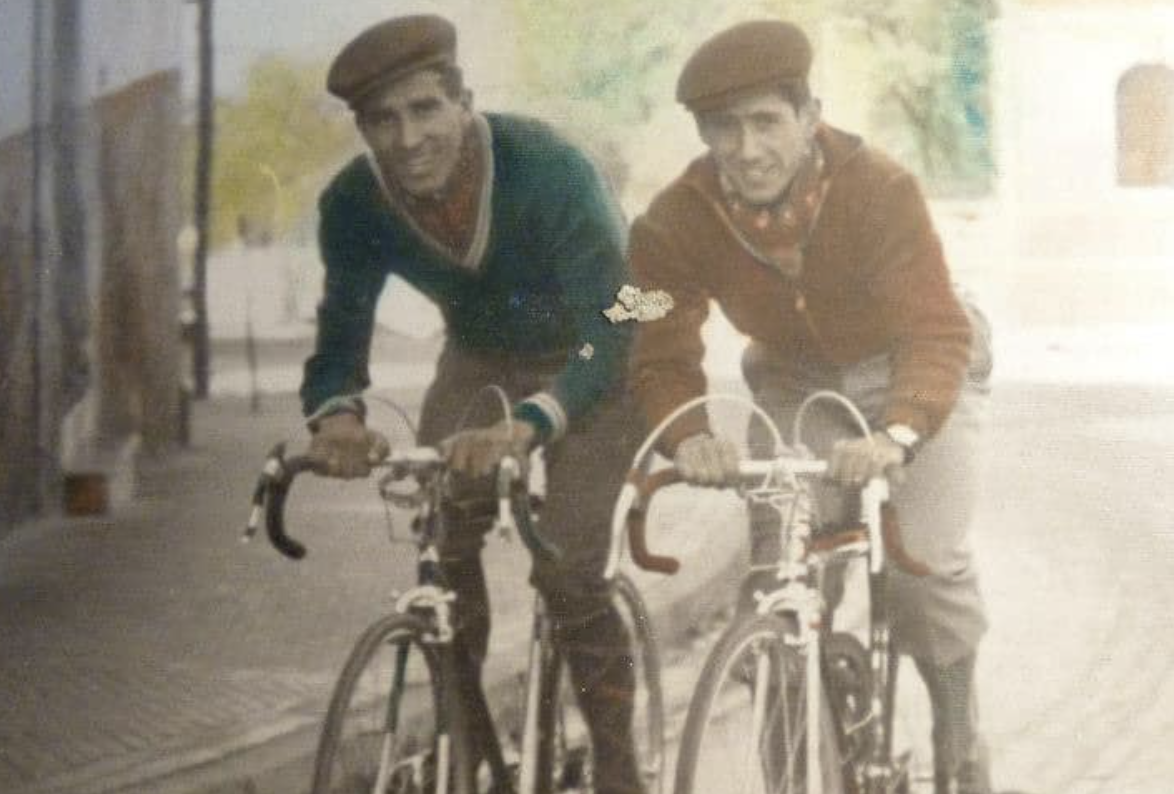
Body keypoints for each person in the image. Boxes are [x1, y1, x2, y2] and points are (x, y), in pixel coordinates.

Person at [628, 20, 998, 794]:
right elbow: (653, 340)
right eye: (724, 128)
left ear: (809, 116)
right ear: (701, 135)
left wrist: (900, 432)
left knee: (921, 568)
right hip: (799, 385)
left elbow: (934, 328)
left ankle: (959, 739)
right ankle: (793, 758)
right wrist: (689, 436)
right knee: (781, 570)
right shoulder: (671, 223)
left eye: (766, 121)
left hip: (921, 368)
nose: (748, 148)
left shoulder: (880, 188)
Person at [300, 15, 643, 793]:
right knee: (444, 545)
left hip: (596, 360)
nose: (408, 137)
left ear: (463, 102)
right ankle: (472, 750)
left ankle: (621, 767)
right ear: (363, 130)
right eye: (382, 120)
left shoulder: (549, 167)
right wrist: (337, 413)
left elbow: (622, 317)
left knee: (570, 571)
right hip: (479, 358)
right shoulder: (353, 202)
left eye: (425, 109)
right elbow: (340, 329)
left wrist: (533, 422)